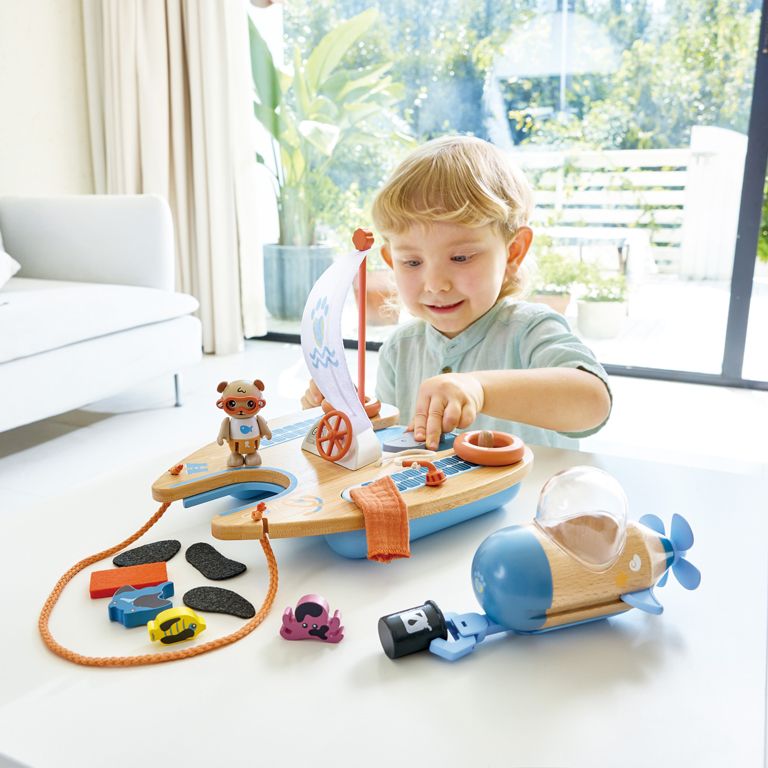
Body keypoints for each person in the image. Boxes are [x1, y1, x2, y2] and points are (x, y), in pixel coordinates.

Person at [302, 135, 612, 450]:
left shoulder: (530, 329)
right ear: (391, 263)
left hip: (528, 497)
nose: (436, 284)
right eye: (412, 261)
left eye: (460, 258)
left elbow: (593, 403)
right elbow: (391, 445)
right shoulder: (400, 349)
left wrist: (479, 389)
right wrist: (346, 413)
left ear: (513, 252)